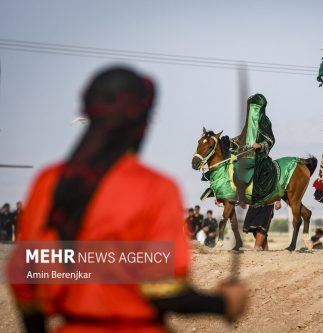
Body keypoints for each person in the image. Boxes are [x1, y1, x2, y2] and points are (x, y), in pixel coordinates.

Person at [9, 66, 248, 333]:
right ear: (142, 122)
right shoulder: (156, 188)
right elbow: (163, 290)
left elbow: (24, 282)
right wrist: (224, 302)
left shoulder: (48, 182)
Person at [232, 94, 275, 208]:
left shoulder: (265, 121)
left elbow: (271, 140)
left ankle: (241, 197)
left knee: (239, 166)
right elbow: (240, 138)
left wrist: (260, 145)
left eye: (256, 108)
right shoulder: (248, 125)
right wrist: (229, 141)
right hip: (244, 153)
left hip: (258, 156)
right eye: (252, 108)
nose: (254, 111)